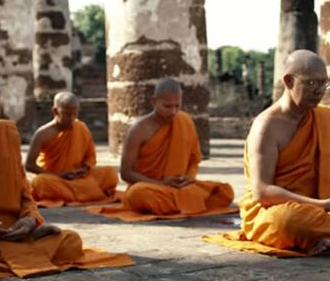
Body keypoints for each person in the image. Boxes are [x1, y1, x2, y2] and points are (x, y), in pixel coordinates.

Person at [0, 74, 131, 279]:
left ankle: (2, 246)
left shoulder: (6, 134)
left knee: (71, 242)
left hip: (8, 227)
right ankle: (13, 247)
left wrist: (30, 219)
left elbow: (23, 191)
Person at [204, 50, 330, 256]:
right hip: (276, 210)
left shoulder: (328, 119)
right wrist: (321, 205)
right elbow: (262, 192)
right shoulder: (266, 126)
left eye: (324, 84)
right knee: (287, 222)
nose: (320, 91)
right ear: (289, 81)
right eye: (312, 83)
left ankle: (318, 238)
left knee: (307, 221)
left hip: (323, 209)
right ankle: (313, 235)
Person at [88, 78, 235, 222]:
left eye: (177, 106)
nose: (173, 111)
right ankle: (188, 204)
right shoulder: (139, 130)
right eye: (167, 106)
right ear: (153, 101)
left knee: (225, 192)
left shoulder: (185, 121)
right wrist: (160, 184)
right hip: (152, 188)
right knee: (137, 194)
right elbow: (126, 173)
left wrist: (189, 178)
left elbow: (194, 159)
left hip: (181, 187)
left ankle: (178, 204)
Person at [25, 91, 119, 207]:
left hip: (79, 178)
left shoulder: (81, 127)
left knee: (110, 174)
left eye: (75, 114)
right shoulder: (42, 134)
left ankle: (81, 193)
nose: (72, 118)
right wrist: (58, 176)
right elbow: (29, 165)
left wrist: (84, 169)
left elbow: (90, 156)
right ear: (55, 111)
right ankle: (90, 193)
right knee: (38, 183)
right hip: (55, 179)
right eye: (67, 114)